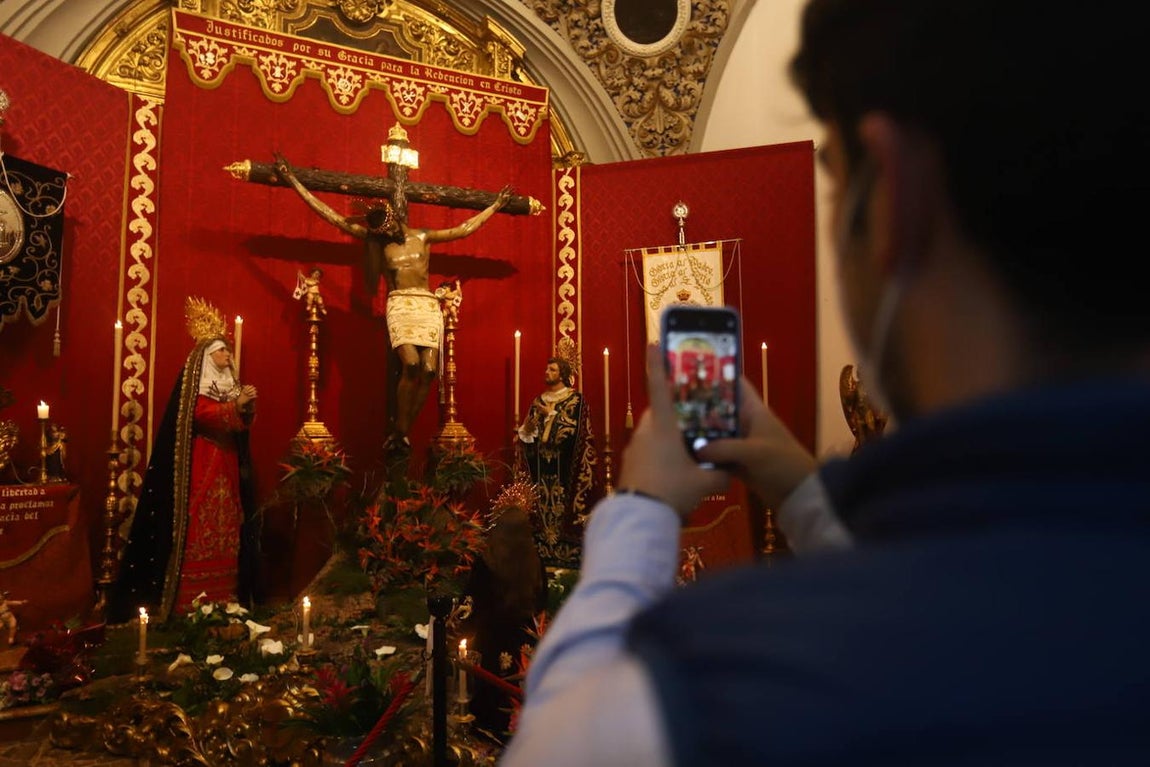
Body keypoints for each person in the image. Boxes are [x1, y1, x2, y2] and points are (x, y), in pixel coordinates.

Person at [501, 3, 1150, 764]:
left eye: (836, 179)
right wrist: (803, 491)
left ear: (896, 198)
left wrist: (639, 510)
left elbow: (558, 744)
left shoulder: (723, 686)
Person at [275, 153, 512, 451]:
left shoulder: (422, 237)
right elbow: (331, 215)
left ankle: (402, 430)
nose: (389, 234)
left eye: (390, 228)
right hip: (400, 304)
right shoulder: (380, 243)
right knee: (411, 364)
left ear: (396, 218)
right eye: (383, 233)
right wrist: (294, 181)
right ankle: (400, 430)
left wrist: (495, 206)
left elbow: (462, 229)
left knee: (429, 371)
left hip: (426, 305)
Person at [108, 298, 261, 624]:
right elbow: (202, 415)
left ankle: (225, 597)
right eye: (222, 351)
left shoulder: (228, 384)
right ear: (208, 356)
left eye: (227, 350)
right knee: (198, 520)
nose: (228, 355)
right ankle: (191, 602)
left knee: (227, 522)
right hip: (202, 461)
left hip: (227, 462)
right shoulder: (198, 385)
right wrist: (236, 407)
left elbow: (238, 424)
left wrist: (245, 408)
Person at [458, 506, 547, 743]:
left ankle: (491, 731)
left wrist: (461, 630)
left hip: (492, 641)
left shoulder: (487, 563)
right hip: (524, 641)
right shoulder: (535, 562)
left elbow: (472, 605)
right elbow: (542, 601)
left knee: (493, 696)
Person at [515, 355, 600, 569]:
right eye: (546, 369)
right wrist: (528, 430)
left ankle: (567, 552)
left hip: (566, 468)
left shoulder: (575, 400)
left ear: (562, 374)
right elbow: (529, 434)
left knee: (564, 508)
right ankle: (541, 549)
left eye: (552, 369)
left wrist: (551, 416)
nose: (547, 373)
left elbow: (575, 431)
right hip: (541, 469)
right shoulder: (538, 401)